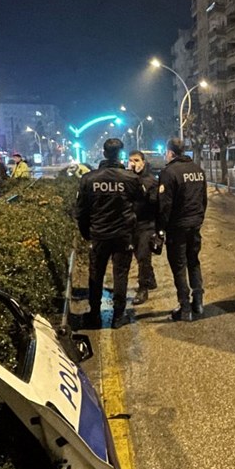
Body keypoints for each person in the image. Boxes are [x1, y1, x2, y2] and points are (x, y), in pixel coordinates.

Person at [75, 138, 142, 329]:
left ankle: (94, 314)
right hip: (123, 236)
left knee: (96, 275)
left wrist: (87, 233)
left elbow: (80, 211)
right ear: (120, 155)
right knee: (121, 275)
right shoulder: (130, 179)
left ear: (104, 154)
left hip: (99, 235)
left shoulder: (89, 179)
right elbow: (141, 204)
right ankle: (118, 317)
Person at [158, 137, 207, 322]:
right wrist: (199, 220)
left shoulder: (169, 172)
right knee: (193, 262)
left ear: (170, 152)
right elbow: (203, 200)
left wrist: (161, 229)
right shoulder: (198, 170)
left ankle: (185, 308)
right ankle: (199, 303)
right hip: (194, 226)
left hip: (177, 228)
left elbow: (165, 206)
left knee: (179, 267)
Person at [127, 150, 162, 305]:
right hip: (132, 224)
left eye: (136, 160)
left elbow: (155, 203)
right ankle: (151, 279)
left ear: (143, 162)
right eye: (130, 160)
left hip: (146, 224)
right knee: (138, 254)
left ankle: (143, 289)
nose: (133, 163)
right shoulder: (129, 179)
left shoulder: (150, 180)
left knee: (143, 256)